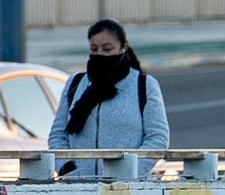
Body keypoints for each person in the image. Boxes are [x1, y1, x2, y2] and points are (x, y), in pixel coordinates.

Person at [47, 18, 170, 174]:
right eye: (94, 49)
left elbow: (157, 138)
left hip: (126, 188)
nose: (100, 54)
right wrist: (67, 169)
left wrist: (129, 171)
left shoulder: (144, 85)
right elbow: (58, 135)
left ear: (123, 48)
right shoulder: (75, 83)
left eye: (107, 49)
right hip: (78, 186)